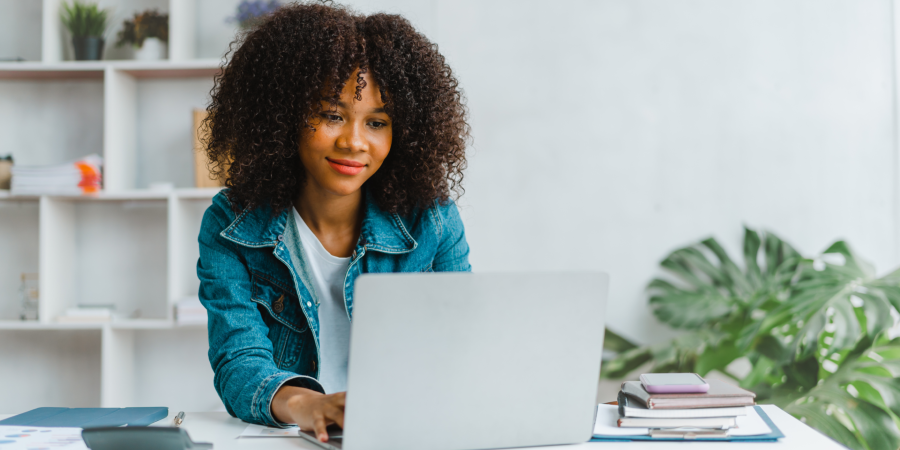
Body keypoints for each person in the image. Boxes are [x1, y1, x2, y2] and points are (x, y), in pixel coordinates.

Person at [196, 1, 471, 443]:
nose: (354, 142)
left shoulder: (432, 222)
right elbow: (240, 362)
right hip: (290, 437)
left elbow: (461, 345)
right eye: (332, 115)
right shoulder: (232, 224)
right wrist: (311, 406)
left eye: (378, 122)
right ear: (283, 115)